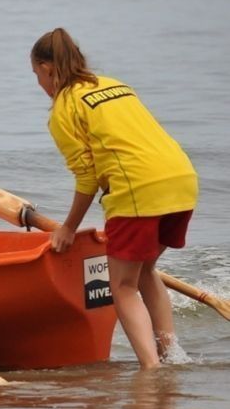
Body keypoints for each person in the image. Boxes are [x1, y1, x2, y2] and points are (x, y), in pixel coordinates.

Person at [30, 28, 198, 369]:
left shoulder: (64, 108)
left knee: (121, 286)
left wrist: (68, 228)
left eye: (36, 75)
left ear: (48, 68)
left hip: (137, 189)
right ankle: (171, 356)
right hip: (182, 180)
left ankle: (151, 369)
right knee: (145, 268)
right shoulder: (113, 84)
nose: (39, 85)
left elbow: (87, 177)